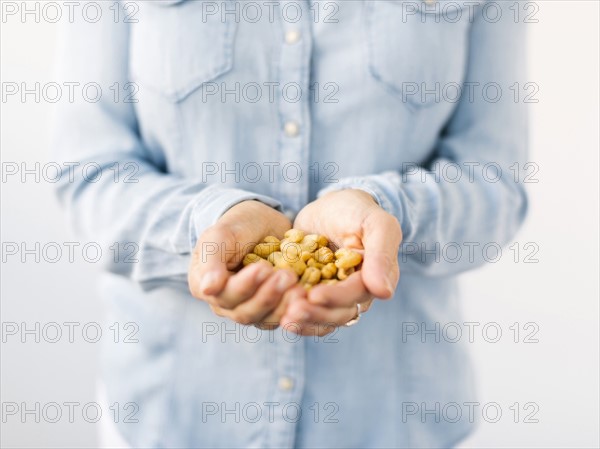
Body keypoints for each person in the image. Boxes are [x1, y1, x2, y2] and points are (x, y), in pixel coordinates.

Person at [52, 1, 528, 447]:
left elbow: (494, 182)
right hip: (172, 414)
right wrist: (206, 225)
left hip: (395, 418)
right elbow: (89, 172)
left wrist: (388, 209)